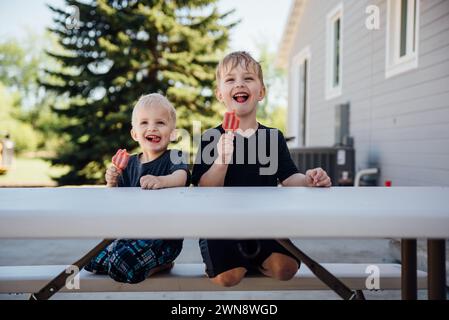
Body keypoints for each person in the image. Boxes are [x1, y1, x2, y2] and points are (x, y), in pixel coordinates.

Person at [192, 51, 332, 287]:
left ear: (261, 92)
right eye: (230, 80)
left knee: (285, 268)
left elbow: (289, 178)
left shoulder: (273, 137)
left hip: (265, 223)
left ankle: (253, 259)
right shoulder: (210, 137)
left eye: (248, 78)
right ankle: (235, 261)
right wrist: (221, 161)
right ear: (219, 94)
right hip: (220, 225)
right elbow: (203, 186)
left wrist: (309, 179)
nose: (239, 83)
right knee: (229, 277)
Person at [85, 93, 191, 284]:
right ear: (134, 134)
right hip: (131, 233)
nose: (152, 128)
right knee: (91, 262)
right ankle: (131, 258)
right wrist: (111, 182)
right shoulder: (129, 164)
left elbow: (181, 177)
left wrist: (161, 181)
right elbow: (115, 200)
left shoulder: (175, 156)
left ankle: (161, 263)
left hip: (163, 239)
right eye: (144, 123)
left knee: (119, 263)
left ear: (173, 133)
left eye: (160, 123)